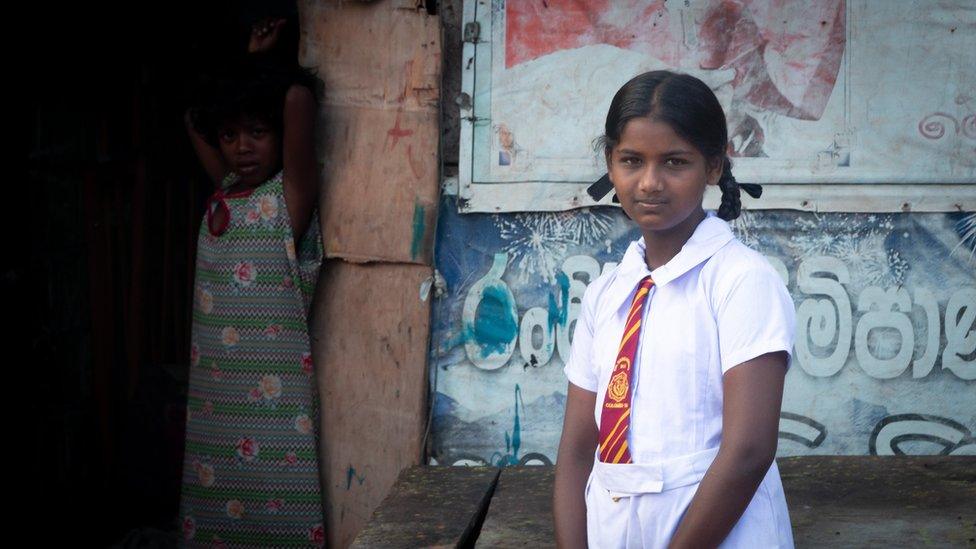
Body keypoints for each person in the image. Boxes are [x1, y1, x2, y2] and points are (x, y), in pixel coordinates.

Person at [553, 70, 795, 548]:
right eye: (631, 161)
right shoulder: (606, 294)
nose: (649, 183)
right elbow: (578, 450)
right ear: (610, 164)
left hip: (718, 534)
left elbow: (749, 450)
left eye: (674, 162)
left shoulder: (742, 281)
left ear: (713, 168)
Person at [178, 13, 325, 547]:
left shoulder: (288, 200)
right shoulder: (225, 191)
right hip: (218, 400)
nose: (243, 146)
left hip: (273, 410)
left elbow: (295, 105)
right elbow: (196, 117)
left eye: (258, 133)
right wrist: (244, 68)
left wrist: (262, 66)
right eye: (232, 134)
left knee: (275, 517)